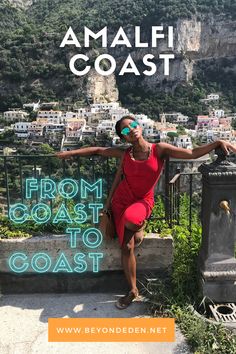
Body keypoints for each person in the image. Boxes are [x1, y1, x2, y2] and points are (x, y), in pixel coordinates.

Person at [57, 115, 236, 309]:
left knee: (131, 220)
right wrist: (69, 153)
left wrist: (217, 142)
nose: (131, 130)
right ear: (123, 137)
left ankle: (140, 225)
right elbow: (99, 150)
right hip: (121, 200)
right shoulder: (125, 154)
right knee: (126, 247)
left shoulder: (158, 149)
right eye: (125, 130)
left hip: (143, 201)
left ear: (139, 126)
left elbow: (192, 153)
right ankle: (133, 290)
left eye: (133, 125)